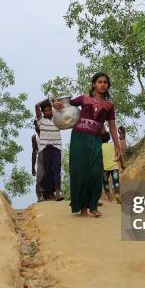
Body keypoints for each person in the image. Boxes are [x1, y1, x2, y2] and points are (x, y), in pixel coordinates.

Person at [54, 72, 120, 217]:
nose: (103, 84)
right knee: (80, 172)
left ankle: (93, 205)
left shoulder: (109, 105)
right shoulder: (84, 99)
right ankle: (82, 208)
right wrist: (56, 104)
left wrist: (117, 145)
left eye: (105, 82)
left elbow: (112, 126)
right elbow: (65, 105)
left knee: (96, 172)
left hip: (95, 140)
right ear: (93, 84)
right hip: (79, 138)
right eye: (100, 82)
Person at [35, 99, 63, 201]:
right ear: (43, 112)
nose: (47, 112)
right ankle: (42, 191)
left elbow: (59, 108)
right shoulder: (41, 120)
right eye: (45, 111)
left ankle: (58, 192)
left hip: (57, 147)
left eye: (48, 110)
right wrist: (46, 100)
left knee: (57, 169)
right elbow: (36, 106)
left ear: (51, 110)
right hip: (46, 148)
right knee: (47, 171)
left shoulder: (56, 118)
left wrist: (52, 103)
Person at [101, 132, 124, 203]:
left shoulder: (99, 147)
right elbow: (119, 156)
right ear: (109, 138)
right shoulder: (113, 146)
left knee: (105, 182)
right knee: (116, 181)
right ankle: (117, 194)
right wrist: (122, 164)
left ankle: (109, 198)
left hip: (105, 167)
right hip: (114, 166)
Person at [31, 120, 45, 202]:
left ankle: (51, 194)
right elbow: (34, 151)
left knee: (50, 176)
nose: (37, 127)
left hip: (49, 156)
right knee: (39, 176)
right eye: (36, 126)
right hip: (40, 156)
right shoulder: (34, 137)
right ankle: (40, 195)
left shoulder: (48, 135)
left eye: (39, 126)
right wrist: (33, 166)